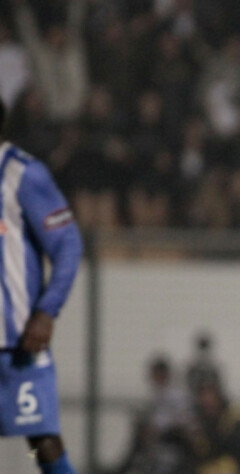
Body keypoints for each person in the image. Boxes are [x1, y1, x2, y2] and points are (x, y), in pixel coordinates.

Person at [0, 97, 83, 473]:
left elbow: (67, 243)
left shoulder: (23, 174)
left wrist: (47, 311)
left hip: (17, 343)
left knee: (42, 441)